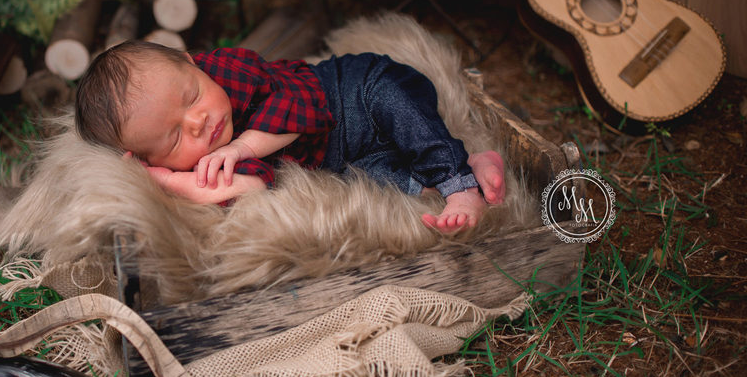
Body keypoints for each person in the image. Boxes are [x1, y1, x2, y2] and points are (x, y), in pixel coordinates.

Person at [75, 41, 506, 233]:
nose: (198, 122)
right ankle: (469, 164)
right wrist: (169, 182)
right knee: (384, 185)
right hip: (349, 158)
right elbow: (250, 187)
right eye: (173, 138)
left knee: (400, 108)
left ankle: (459, 185)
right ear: (149, 160)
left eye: (191, 96)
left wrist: (242, 145)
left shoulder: (229, 71)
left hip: (357, 93)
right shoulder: (205, 155)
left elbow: (296, 106)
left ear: (193, 63)